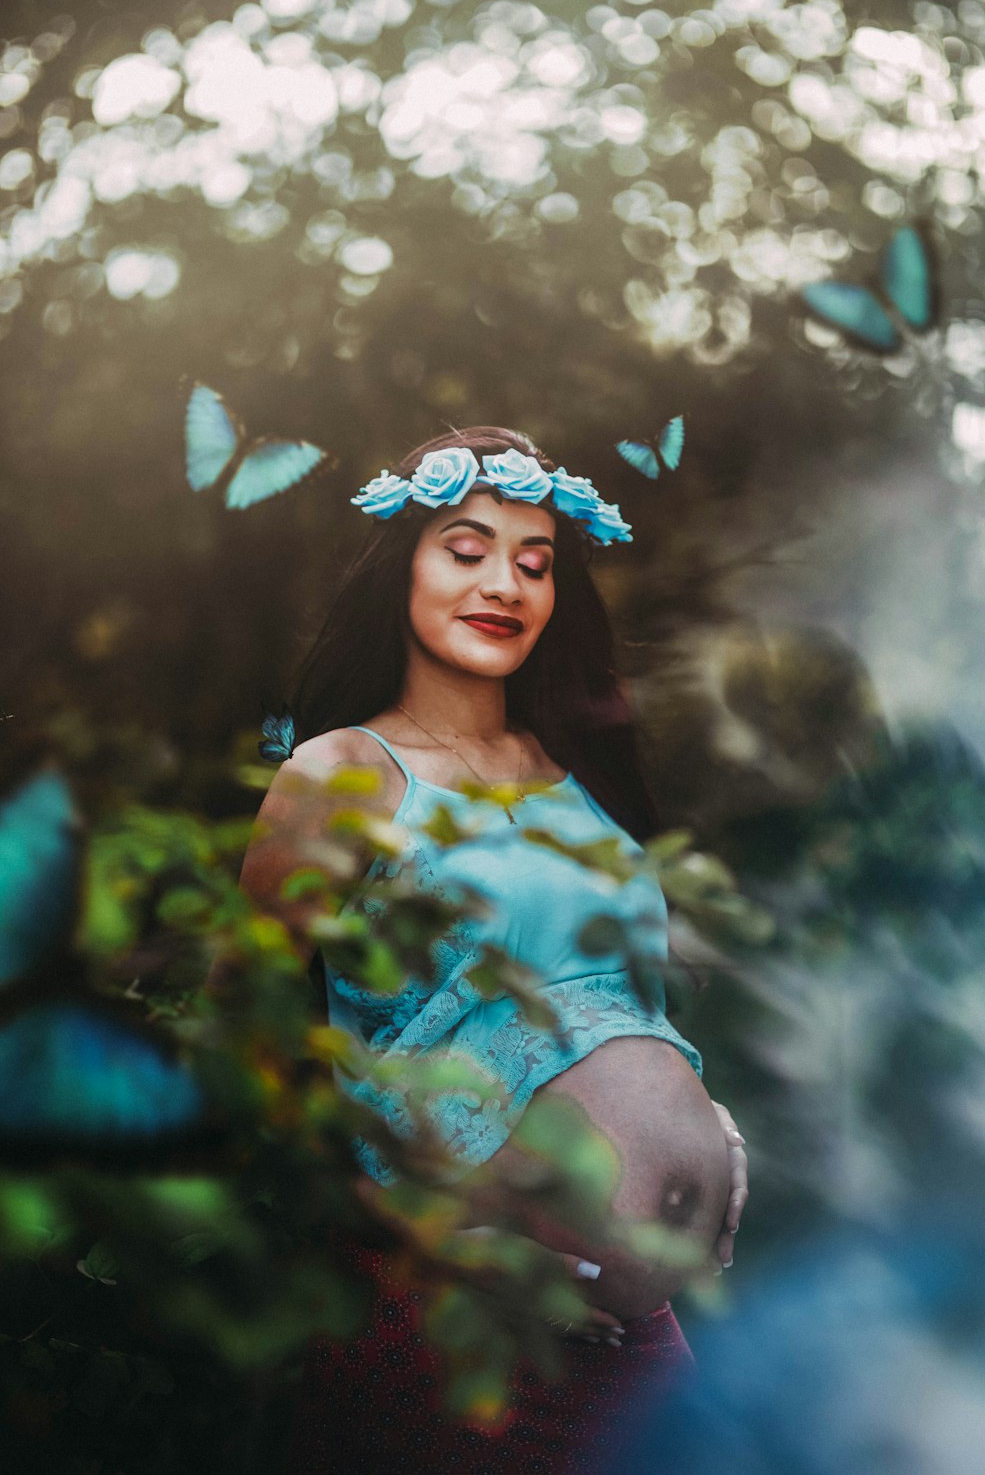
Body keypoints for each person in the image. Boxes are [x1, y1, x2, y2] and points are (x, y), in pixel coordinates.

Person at [237, 429, 748, 1472]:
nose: (503, 582)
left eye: (533, 560)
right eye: (465, 548)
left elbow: (617, 1009)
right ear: (403, 571)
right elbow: (247, 1055)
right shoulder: (343, 774)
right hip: (459, 1317)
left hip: (638, 1329)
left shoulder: (574, 771)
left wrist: (707, 1140)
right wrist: (412, 1228)